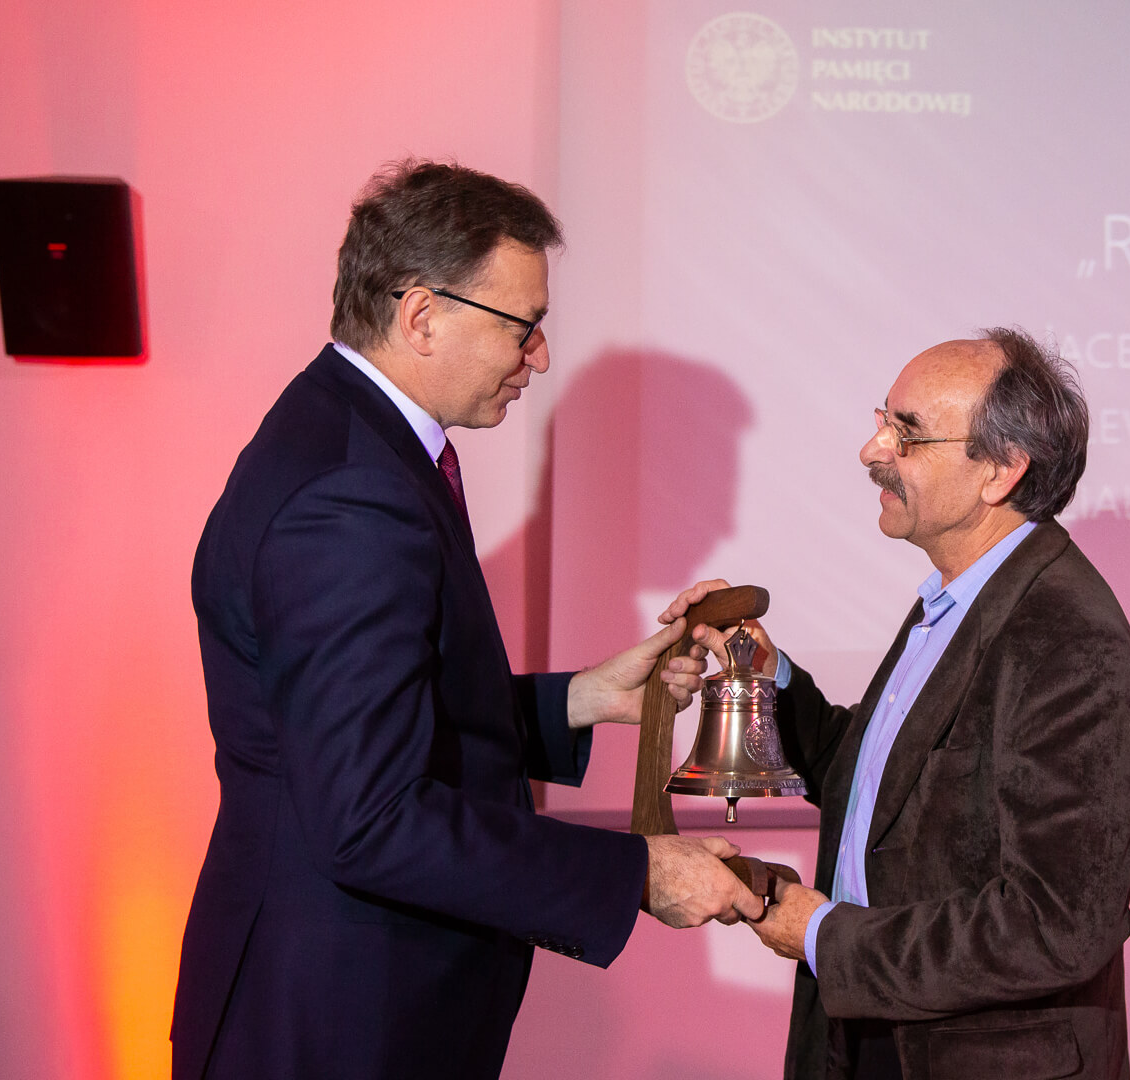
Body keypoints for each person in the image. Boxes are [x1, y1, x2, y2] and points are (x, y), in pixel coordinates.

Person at [171, 160, 762, 1080]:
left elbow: (374, 724)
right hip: (338, 1020)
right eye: (523, 327)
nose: (539, 357)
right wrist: (639, 874)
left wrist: (585, 698)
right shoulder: (351, 494)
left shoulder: (350, 439)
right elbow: (370, 816)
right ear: (422, 315)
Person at [668, 329, 1130, 1079]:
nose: (872, 450)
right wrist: (767, 675)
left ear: (1001, 470)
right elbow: (882, 788)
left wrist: (825, 936)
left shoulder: (1067, 635)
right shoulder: (960, 598)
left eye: (908, 432)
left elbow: (1057, 925)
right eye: (882, 420)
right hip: (875, 1038)